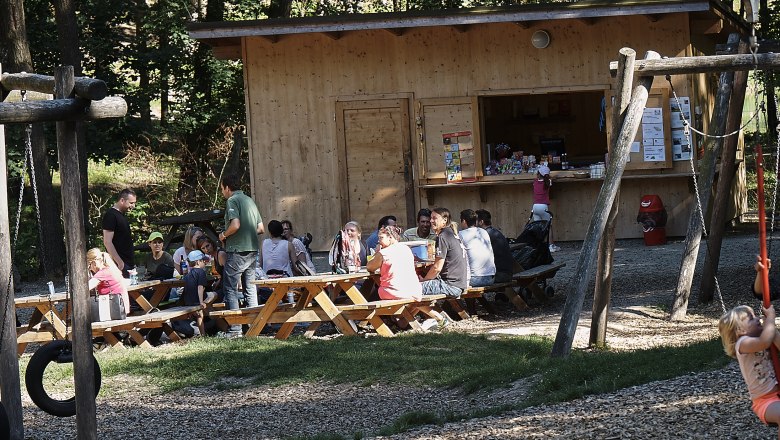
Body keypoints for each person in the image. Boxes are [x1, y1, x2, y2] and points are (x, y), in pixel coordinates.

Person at [719, 303, 780, 436]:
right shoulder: (742, 344)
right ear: (740, 330)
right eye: (752, 318)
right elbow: (764, 342)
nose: (758, 318)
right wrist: (770, 318)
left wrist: (774, 332)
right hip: (765, 401)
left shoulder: (764, 337)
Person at [219, 174, 264, 337]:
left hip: (237, 250)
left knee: (230, 288)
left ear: (227, 188)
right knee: (250, 288)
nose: (223, 192)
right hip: (252, 250)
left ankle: (235, 329)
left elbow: (235, 224)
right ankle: (254, 327)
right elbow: (260, 228)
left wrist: (224, 235)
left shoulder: (232, 201)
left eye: (222, 189)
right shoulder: (250, 201)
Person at [420, 207, 469, 298]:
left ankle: (433, 313)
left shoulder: (443, 236)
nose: (431, 221)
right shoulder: (453, 234)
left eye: (434, 218)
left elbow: (437, 268)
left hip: (450, 286)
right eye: (431, 218)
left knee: (410, 289)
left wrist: (424, 281)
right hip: (460, 284)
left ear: (444, 220)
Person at [366, 225, 422, 300]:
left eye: (381, 237)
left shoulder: (384, 253)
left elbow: (369, 267)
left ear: (390, 237)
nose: (378, 241)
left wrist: (376, 253)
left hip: (394, 292)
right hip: (414, 291)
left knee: (370, 299)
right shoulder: (406, 249)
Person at [102, 188, 137, 277]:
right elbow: (107, 242)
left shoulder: (121, 215)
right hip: (120, 265)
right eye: (131, 203)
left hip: (128, 263)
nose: (133, 206)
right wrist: (119, 262)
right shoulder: (111, 215)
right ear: (122, 200)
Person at [87, 248, 131, 316]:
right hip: (122, 309)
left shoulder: (103, 273)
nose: (90, 269)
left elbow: (85, 288)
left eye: (89, 266)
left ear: (94, 263)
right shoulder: (111, 269)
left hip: (114, 311)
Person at [459, 209, 495, 287]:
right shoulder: (483, 232)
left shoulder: (461, 235)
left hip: (474, 279)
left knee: (451, 282)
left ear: (464, 221)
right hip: (491, 278)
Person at [476, 209, 514, 283]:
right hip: (507, 273)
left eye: (475, 221)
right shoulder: (495, 232)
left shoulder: (486, 236)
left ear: (481, 222)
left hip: (500, 275)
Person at [181, 250, 209, 336]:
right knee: (214, 295)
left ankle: (201, 333)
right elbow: (200, 287)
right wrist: (201, 302)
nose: (205, 263)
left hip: (188, 301)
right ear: (198, 262)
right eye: (203, 261)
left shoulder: (188, 275)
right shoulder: (201, 272)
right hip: (196, 300)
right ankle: (203, 334)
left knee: (198, 315)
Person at [532, 165, 559, 253]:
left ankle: (538, 246)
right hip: (543, 207)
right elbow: (552, 178)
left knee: (538, 227)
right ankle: (551, 246)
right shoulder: (548, 183)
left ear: (538, 174)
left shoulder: (535, 182)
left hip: (535, 207)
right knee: (549, 226)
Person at [198, 235, 226, 299]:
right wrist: (218, 281)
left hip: (227, 288)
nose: (206, 250)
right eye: (203, 248)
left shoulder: (221, 254)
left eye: (207, 246)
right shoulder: (213, 256)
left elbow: (230, 273)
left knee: (205, 297)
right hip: (221, 285)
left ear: (212, 243)